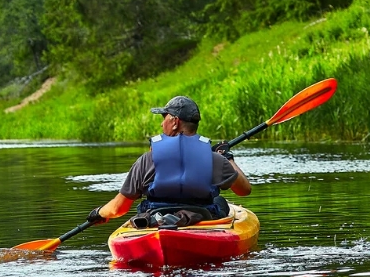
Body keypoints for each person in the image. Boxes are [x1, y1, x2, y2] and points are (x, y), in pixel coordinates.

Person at [87, 96, 252, 225]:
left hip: (156, 221)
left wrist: (99, 212)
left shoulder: (147, 160)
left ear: (175, 122)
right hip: (202, 219)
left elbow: (118, 208)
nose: (161, 123)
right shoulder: (214, 159)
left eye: (164, 117)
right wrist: (226, 157)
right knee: (219, 201)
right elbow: (244, 190)